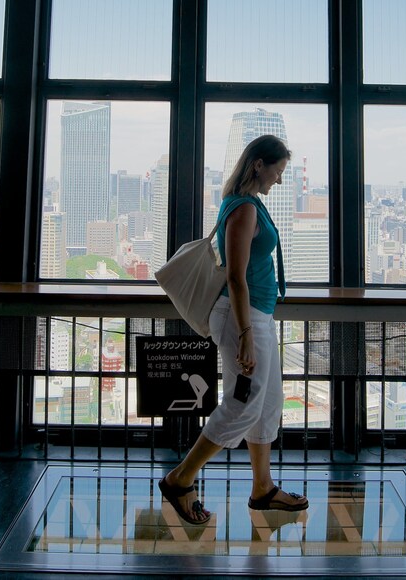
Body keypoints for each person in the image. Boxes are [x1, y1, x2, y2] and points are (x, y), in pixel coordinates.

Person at [157, 134, 309, 525]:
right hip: (243, 317)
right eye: (278, 170)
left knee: (267, 401)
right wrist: (244, 335)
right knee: (242, 403)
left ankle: (263, 489)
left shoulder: (250, 204)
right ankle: (180, 478)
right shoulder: (243, 209)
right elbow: (237, 278)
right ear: (259, 164)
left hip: (257, 316)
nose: (279, 179)